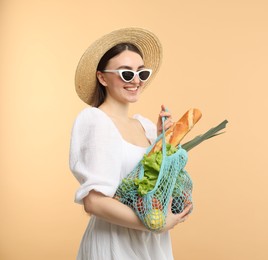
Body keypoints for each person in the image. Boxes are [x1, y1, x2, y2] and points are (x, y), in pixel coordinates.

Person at [69, 28, 191, 260]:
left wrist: (161, 143)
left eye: (141, 73)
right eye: (126, 74)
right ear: (102, 77)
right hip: (115, 244)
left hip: (151, 245)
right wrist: (155, 225)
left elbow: (150, 188)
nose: (136, 81)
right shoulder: (95, 121)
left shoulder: (144, 126)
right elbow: (94, 202)